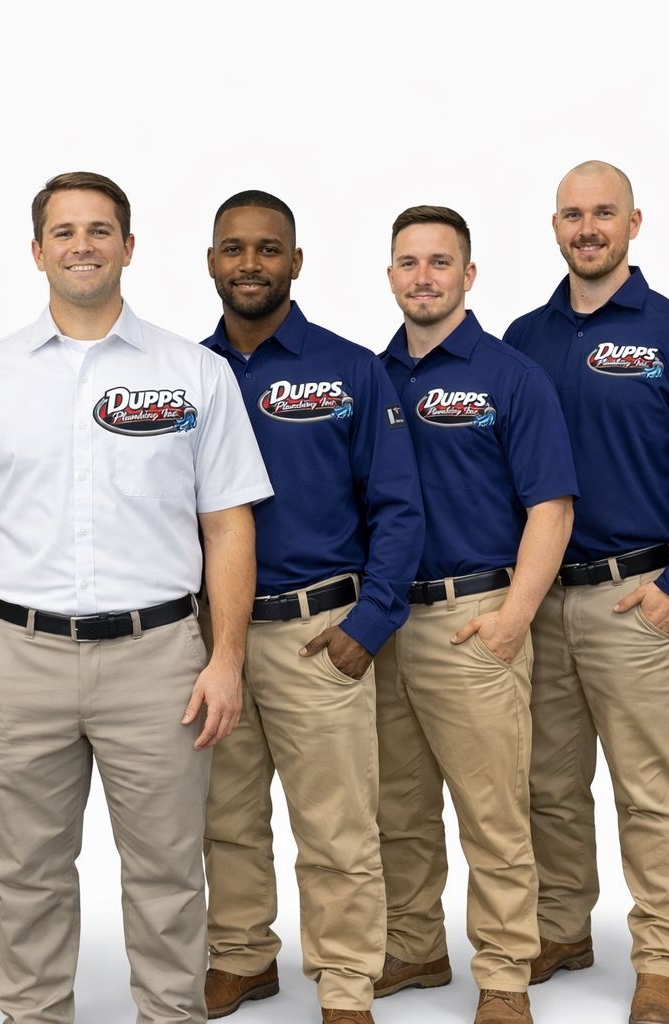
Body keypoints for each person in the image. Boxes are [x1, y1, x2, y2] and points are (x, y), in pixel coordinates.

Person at [0, 171, 272, 1024]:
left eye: (101, 229)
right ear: (38, 251)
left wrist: (225, 658)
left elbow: (228, 526)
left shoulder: (194, 372)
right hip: (22, 659)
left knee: (165, 873)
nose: (83, 244)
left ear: (128, 246)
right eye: (66, 230)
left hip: (158, 662)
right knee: (27, 872)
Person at [503, 161, 669, 1024]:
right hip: (540, 601)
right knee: (547, 783)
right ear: (555, 225)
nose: (588, 226)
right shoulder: (522, 339)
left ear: (635, 224)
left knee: (649, 788)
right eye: (573, 213)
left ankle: (663, 959)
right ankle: (562, 927)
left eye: (604, 212)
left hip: (635, 595)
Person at [197, 190, 423, 1024]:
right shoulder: (186, 373)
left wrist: (370, 623)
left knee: (337, 826)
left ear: (296, 262)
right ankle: (243, 956)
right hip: (212, 636)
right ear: (211, 262)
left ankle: (347, 981)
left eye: (267, 249)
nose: (249, 263)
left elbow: (400, 506)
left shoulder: (351, 368)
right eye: (233, 248)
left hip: (316, 631)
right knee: (225, 814)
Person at [375, 206, 577, 1024]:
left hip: (475, 619)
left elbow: (552, 507)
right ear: (390, 275)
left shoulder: (509, 375)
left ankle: (502, 974)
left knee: (494, 811)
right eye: (408, 262)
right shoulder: (369, 375)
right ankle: (414, 946)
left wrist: (514, 617)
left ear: (468, 275)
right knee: (397, 806)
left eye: (439, 262)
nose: (423, 277)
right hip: (384, 623)